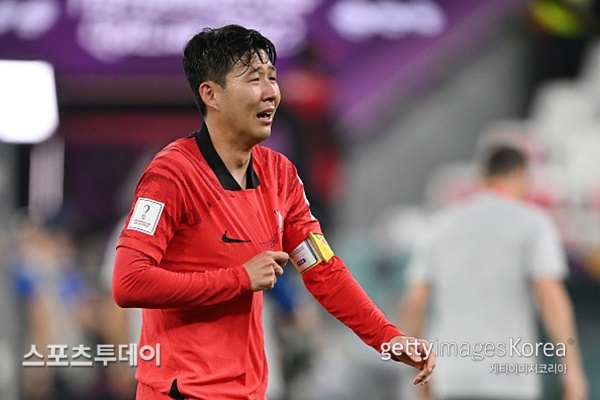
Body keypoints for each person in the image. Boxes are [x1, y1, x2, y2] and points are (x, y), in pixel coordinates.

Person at [112, 24, 435, 400]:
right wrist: (239, 278)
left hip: (251, 392)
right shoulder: (171, 175)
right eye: (254, 79)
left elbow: (323, 270)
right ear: (211, 94)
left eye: (272, 78)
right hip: (181, 393)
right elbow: (128, 282)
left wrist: (388, 338)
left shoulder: (280, 176)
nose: (271, 92)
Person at [399, 144, 589, 400]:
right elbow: (550, 295)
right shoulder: (533, 224)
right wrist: (572, 371)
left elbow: (414, 302)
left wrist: (419, 367)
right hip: (510, 377)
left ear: (483, 176)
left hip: (451, 376)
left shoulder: (439, 225)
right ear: (521, 174)